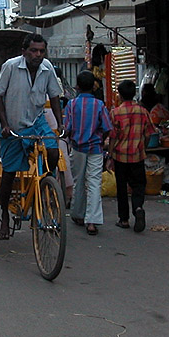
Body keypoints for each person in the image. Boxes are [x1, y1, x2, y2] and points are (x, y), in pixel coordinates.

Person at [0, 33, 63, 241]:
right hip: (13, 125)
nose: (38, 55)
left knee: (53, 150)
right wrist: (4, 124)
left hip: (37, 121)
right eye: (33, 50)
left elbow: (55, 96)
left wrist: (60, 124)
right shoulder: (11, 66)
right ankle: (4, 216)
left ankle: (45, 187)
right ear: (24, 51)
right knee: (9, 174)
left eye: (41, 51)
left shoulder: (47, 67)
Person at [63, 70, 113, 236]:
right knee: (93, 182)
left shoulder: (71, 105)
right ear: (94, 86)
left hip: (77, 148)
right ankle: (92, 221)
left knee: (78, 181)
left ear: (77, 86)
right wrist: (100, 139)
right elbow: (107, 128)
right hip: (96, 148)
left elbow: (67, 129)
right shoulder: (99, 105)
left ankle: (78, 214)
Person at [109, 80, 154, 233]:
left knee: (121, 188)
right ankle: (138, 207)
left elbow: (113, 136)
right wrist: (144, 147)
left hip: (120, 156)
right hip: (137, 155)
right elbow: (148, 134)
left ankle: (124, 219)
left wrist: (109, 153)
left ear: (120, 95)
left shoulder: (115, 113)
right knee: (139, 185)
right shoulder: (143, 111)